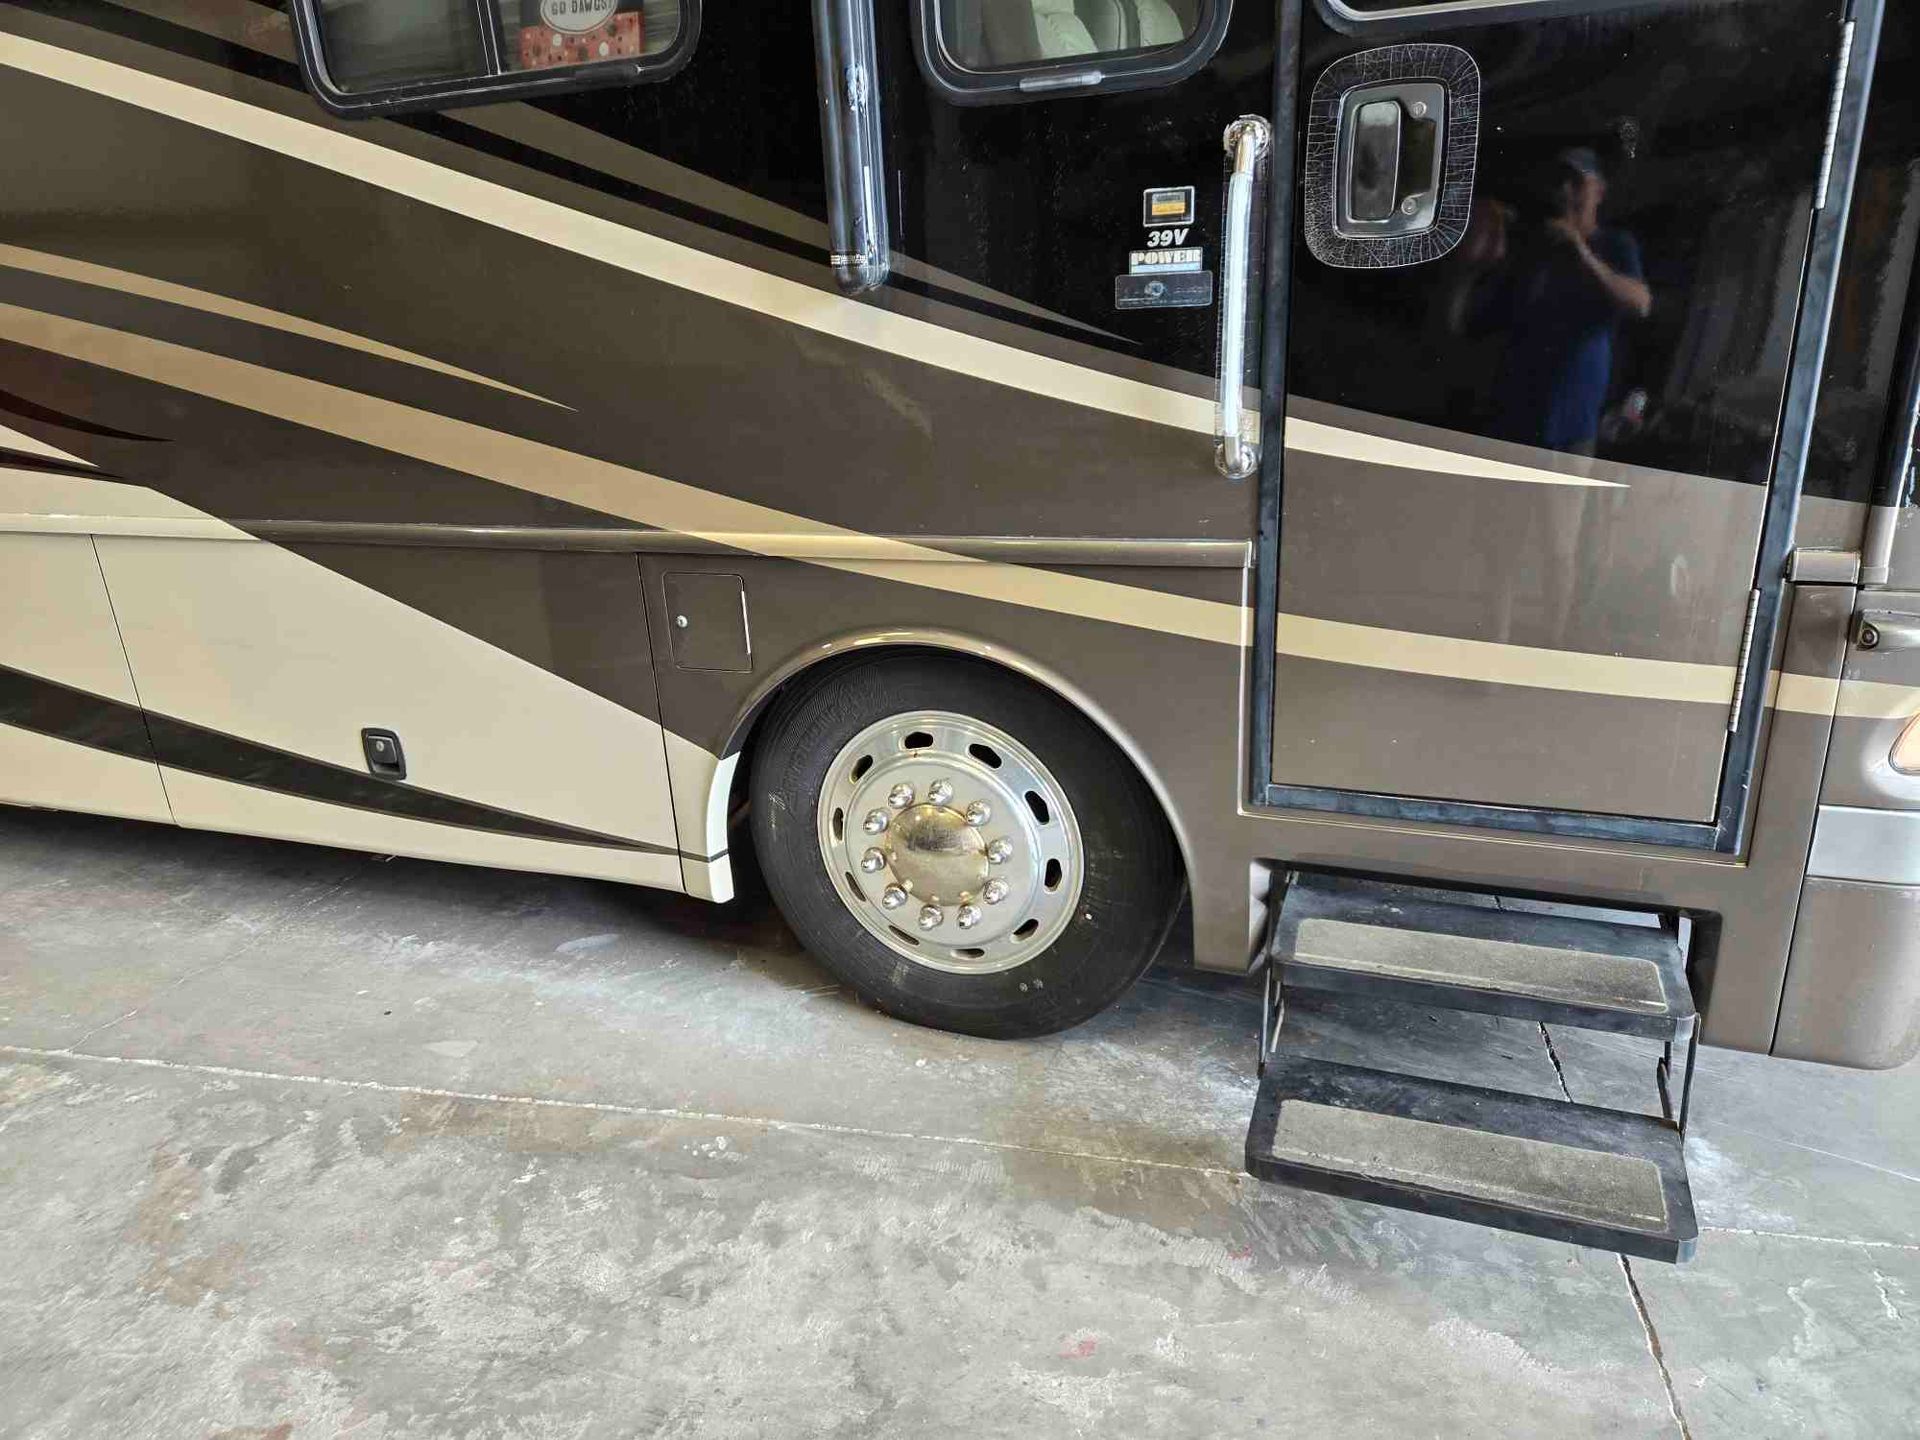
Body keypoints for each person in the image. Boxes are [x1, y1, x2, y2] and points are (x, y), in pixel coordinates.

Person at [1481, 148, 1652, 455]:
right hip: (1511, 425)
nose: (1564, 190)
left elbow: (1640, 303)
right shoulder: (1534, 248)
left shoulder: (1615, 244)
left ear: (1599, 191)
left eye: (1576, 182)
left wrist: (1580, 250)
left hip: (1573, 432)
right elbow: (1485, 322)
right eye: (1559, 182)